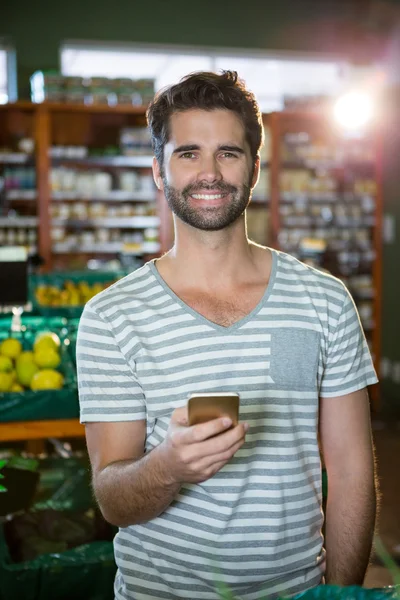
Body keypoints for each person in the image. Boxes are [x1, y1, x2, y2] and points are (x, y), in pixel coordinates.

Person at [77, 71, 378, 600]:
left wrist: (339, 594)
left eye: (229, 153)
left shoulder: (325, 301)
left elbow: (352, 471)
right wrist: (167, 467)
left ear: (255, 168)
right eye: (188, 153)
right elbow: (113, 499)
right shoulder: (110, 316)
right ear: (157, 169)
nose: (209, 173)